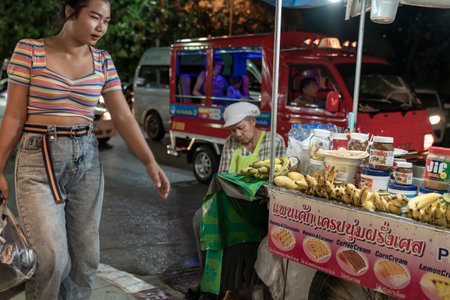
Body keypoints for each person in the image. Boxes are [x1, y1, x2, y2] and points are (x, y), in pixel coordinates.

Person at [0, 0, 170, 299]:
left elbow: (124, 116)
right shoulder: (30, 50)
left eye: (106, 20)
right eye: (94, 17)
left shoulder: (103, 60)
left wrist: (149, 161)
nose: (101, 27)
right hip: (39, 160)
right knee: (52, 258)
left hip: (87, 160)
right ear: (70, 11)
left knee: (85, 259)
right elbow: (14, 116)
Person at [192, 102, 286, 300]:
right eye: (233, 130)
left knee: (258, 230)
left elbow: (279, 180)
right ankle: (215, 280)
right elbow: (223, 176)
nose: (237, 134)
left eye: (240, 128)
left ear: (253, 121)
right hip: (232, 202)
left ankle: (251, 285)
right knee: (199, 220)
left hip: (261, 205)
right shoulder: (230, 143)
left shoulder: (274, 141)